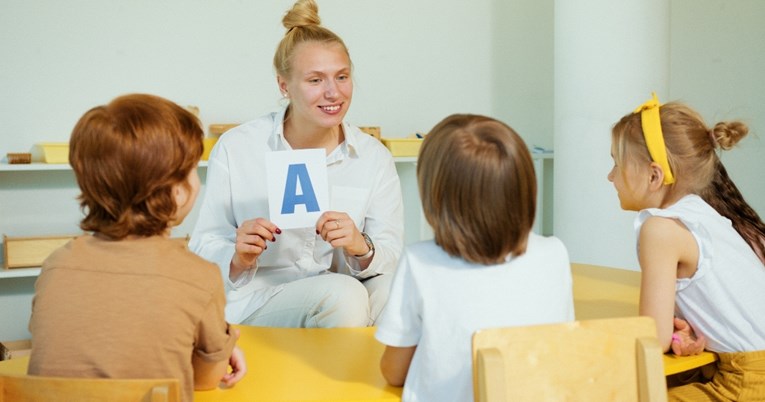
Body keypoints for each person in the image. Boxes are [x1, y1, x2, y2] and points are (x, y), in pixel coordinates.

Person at [189, 0, 403, 328]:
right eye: (315, 80)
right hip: (262, 297)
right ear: (284, 85)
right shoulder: (238, 147)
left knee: (397, 289)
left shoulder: (373, 156)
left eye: (342, 77)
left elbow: (389, 250)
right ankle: (334, 380)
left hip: (346, 294)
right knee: (342, 293)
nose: (334, 92)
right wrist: (238, 254)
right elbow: (204, 243)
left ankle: (377, 378)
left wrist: (362, 247)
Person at [28, 94, 247, 402]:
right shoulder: (198, 276)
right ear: (178, 193)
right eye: (192, 170)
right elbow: (207, 379)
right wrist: (223, 343)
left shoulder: (55, 266)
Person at [374, 114, 574, 402]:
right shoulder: (554, 252)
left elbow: (394, 372)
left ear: (435, 195)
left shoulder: (420, 262)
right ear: (525, 187)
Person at [608, 93, 765, 401]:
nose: (610, 176)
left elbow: (652, 338)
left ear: (654, 176)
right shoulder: (704, 214)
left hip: (746, 383)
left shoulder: (660, 229)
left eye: (616, 163)